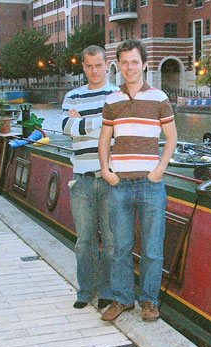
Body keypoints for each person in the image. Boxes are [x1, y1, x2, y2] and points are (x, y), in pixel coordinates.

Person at [98, 40, 177, 322]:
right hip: (119, 185)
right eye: (124, 62)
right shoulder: (112, 101)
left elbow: (172, 138)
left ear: (144, 64)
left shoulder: (159, 98)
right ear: (118, 66)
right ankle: (123, 299)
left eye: (134, 62)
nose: (129, 67)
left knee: (153, 249)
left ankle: (149, 302)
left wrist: (160, 169)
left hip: (151, 185)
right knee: (120, 248)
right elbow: (104, 140)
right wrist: (106, 170)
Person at [62, 45, 119, 310]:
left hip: (109, 179)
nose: (94, 71)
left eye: (98, 65)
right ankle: (85, 291)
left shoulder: (117, 95)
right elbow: (67, 128)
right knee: (84, 241)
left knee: (110, 242)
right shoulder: (72, 96)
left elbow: (119, 132)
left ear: (106, 65)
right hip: (82, 180)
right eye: (89, 66)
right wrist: (103, 124)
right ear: (83, 67)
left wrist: (83, 123)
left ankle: (106, 290)